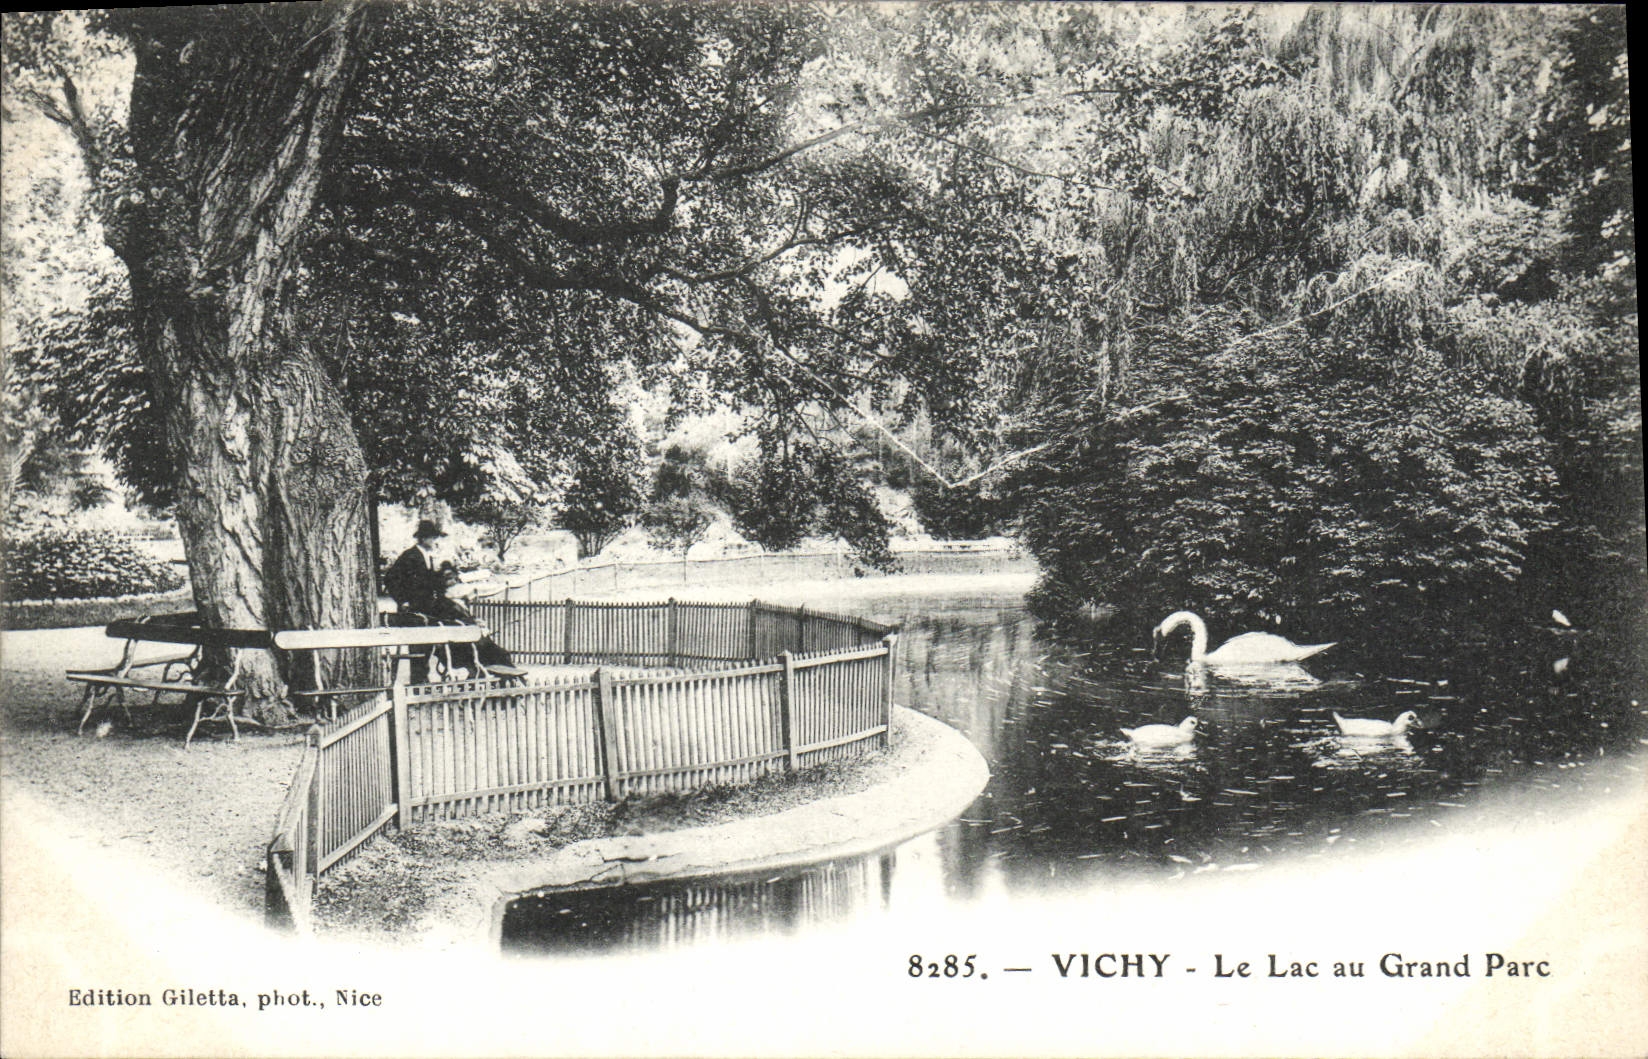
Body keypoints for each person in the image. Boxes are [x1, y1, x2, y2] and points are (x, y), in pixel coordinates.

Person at [384, 520, 518, 678]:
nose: (435, 542)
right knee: (420, 648)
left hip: (428, 606)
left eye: (436, 538)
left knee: (436, 638)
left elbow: (431, 583)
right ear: (423, 538)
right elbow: (390, 579)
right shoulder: (410, 556)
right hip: (416, 609)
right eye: (433, 538)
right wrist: (403, 600)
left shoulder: (428, 557)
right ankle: (419, 682)